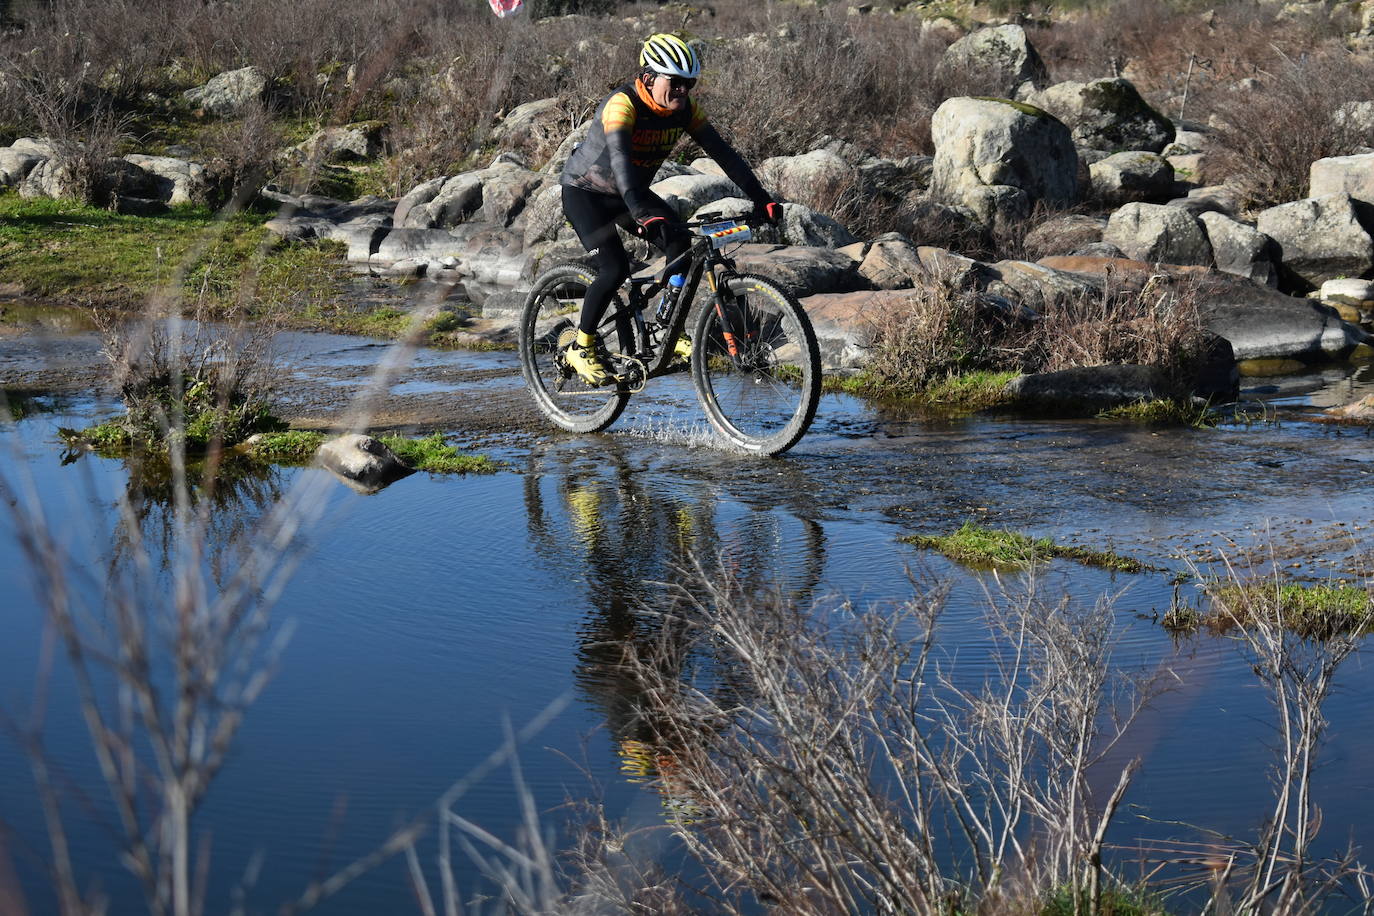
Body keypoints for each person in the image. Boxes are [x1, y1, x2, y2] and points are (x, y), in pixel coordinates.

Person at [558, 33, 782, 386]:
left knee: (681, 245)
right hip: (586, 193)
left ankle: (667, 327)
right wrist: (642, 211)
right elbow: (619, 164)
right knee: (614, 268)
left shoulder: (685, 110)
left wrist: (762, 198)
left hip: (630, 194)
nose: (683, 91)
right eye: (675, 82)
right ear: (648, 78)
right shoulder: (623, 105)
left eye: (688, 84)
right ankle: (581, 345)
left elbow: (725, 156)